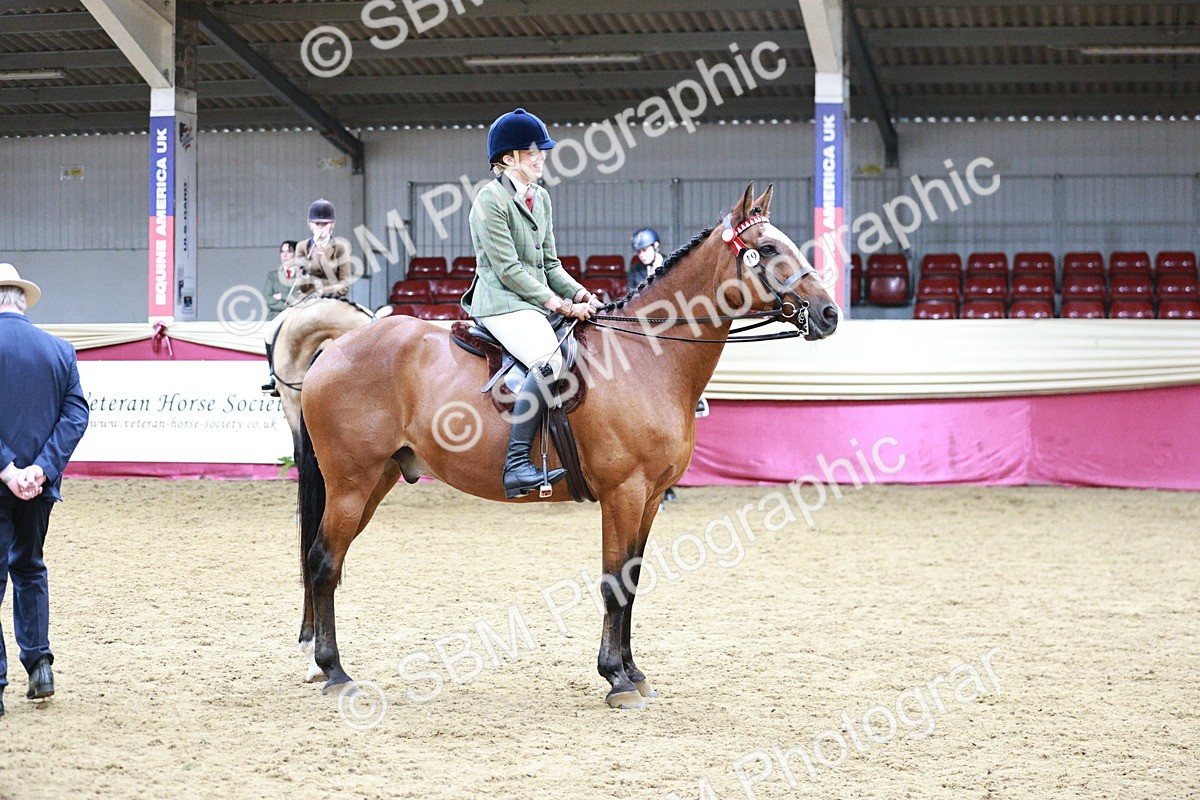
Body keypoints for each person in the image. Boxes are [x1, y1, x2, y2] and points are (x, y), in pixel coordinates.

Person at [462, 108, 604, 499]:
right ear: (508, 159)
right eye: (532, 151)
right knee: (549, 361)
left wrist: (581, 294)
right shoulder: (489, 201)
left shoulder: (540, 198)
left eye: (542, 150)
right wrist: (561, 305)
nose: (542, 157)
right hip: (501, 302)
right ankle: (516, 464)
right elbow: (508, 270)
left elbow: (550, 264)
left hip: (534, 302)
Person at [0, 263, 89, 719]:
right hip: (39, 486)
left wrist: (6, 469)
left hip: (2, 481)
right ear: (21, 300)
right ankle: (39, 666)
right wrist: (40, 468)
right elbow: (76, 415)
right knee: (29, 566)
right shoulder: (59, 350)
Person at [261, 200, 353, 395]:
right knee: (272, 329)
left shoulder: (340, 247)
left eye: (325, 224)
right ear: (310, 224)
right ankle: (274, 376)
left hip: (334, 300)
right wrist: (303, 271)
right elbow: (302, 285)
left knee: (368, 323)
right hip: (307, 300)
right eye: (317, 224)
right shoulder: (303, 247)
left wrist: (322, 289)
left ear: (332, 225)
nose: (321, 228)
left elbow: (345, 284)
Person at [264, 240, 299, 321]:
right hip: (275, 318)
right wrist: (288, 307)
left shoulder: (303, 276)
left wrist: (282, 296)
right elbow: (267, 298)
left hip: (296, 320)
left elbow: (300, 300)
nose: (285, 255)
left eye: (289, 252)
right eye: (282, 252)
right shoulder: (273, 276)